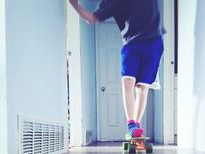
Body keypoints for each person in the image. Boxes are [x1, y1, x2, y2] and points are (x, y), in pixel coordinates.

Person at [69, 0, 165, 138]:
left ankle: (136, 125)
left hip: (154, 42)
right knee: (127, 82)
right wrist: (75, 5)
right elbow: (92, 18)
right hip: (131, 44)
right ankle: (131, 125)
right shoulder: (112, 1)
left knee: (141, 88)